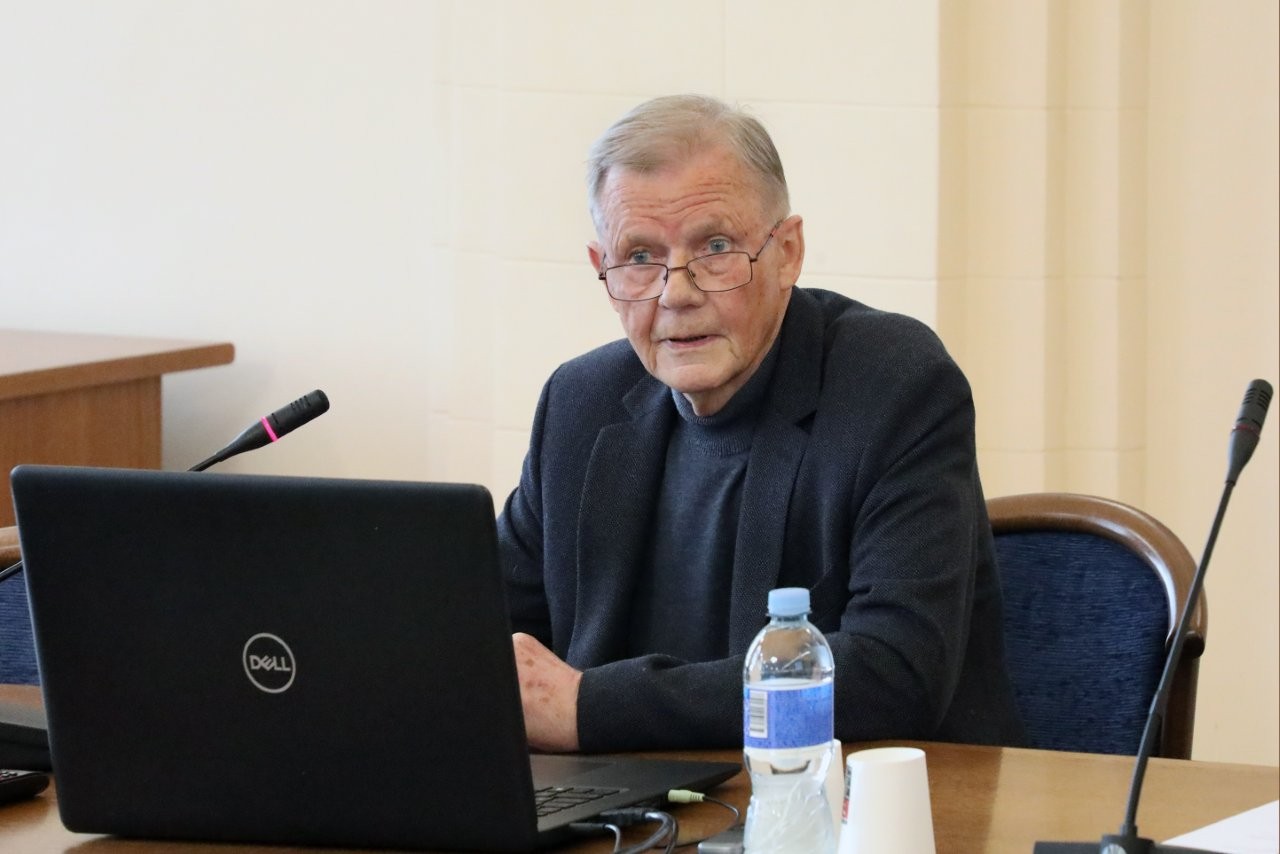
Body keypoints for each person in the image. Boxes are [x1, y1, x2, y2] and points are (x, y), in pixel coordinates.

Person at [499, 94, 1024, 754]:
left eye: (715, 247)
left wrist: (595, 708)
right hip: (623, 802)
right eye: (639, 257)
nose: (676, 292)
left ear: (788, 252)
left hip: (849, 800)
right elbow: (471, 632)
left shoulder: (893, 386)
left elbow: (895, 673)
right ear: (602, 270)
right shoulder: (581, 405)